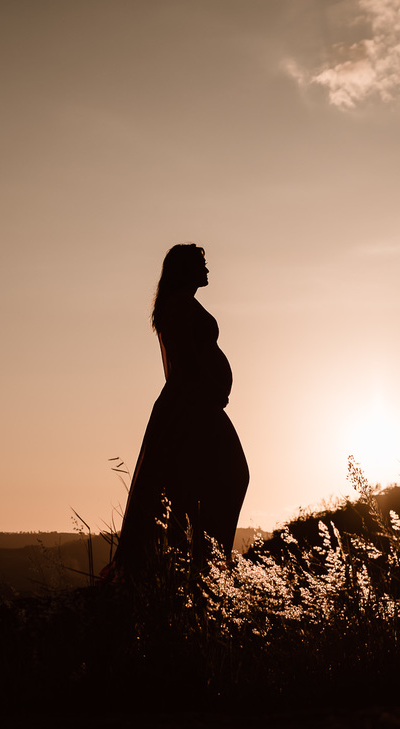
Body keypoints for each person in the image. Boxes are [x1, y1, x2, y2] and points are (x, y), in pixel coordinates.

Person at [113, 244, 250, 575]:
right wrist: (210, 389)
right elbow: (187, 361)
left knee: (217, 478)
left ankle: (206, 561)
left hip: (200, 402)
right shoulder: (177, 307)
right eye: (201, 264)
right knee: (222, 476)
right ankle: (203, 563)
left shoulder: (184, 304)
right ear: (185, 269)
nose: (207, 269)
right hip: (193, 406)